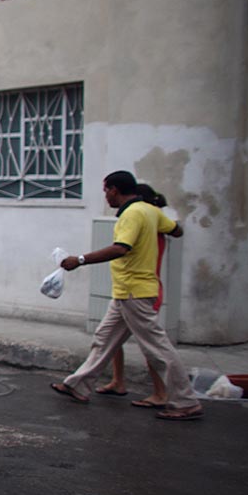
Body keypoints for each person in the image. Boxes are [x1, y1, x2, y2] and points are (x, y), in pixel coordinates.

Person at [50, 171, 203, 421]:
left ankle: (185, 401)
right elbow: (176, 230)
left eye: (106, 191)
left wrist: (79, 260)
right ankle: (78, 385)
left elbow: (121, 248)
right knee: (104, 338)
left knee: (157, 348)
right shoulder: (151, 211)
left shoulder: (132, 214)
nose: (106, 196)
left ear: (114, 189)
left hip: (135, 291)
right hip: (126, 291)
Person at [95, 183, 172, 407]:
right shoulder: (147, 222)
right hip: (128, 289)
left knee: (150, 344)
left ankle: (161, 393)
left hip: (141, 291)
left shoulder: (149, 225)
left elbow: (122, 248)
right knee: (111, 338)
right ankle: (118, 381)